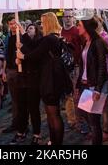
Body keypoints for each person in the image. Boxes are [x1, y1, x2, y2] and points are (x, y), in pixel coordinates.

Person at [17, 12, 71, 145]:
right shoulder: (51, 38)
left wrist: (22, 55)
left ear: (48, 23)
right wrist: (23, 34)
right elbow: (34, 45)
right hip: (50, 78)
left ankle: (57, 143)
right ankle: (53, 140)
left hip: (51, 79)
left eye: (42, 22)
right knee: (51, 113)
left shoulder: (50, 39)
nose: (41, 25)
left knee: (54, 114)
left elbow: (36, 53)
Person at [75, 17, 108, 145]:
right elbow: (83, 65)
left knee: (94, 121)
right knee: (83, 113)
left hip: (95, 84)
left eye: (79, 25)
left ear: (86, 27)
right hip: (86, 83)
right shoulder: (86, 42)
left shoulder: (98, 42)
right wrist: (79, 85)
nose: (77, 27)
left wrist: (98, 88)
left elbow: (102, 66)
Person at [10, 23, 42, 145]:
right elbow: (17, 58)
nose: (28, 30)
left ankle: (37, 134)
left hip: (33, 79)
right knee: (21, 108)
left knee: (33, 108)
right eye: (27, 29)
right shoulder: (21, 42)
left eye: (31, 28)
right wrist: (16, 59)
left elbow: (34, 56)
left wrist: (22, 50)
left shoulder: (39, 41)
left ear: (36, 30)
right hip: (21, 78)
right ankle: (21, 131)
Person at [60, 10, 82, 131]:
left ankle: (80, 120)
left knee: (76, 94)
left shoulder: (77, 31)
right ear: (62, 18)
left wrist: (79, 66)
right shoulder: (60, 31)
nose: (68, 19)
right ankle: (71, 120)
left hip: (76, 66)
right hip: (64, 68)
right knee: (68, 95)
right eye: (66, 16)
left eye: (70, 16)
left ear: (73, 18)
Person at [1, 16, 22, 134]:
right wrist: (4, 71)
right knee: (14, 99)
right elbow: (5, 55)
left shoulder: (22, 37)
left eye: (15, 23)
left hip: (20, 71)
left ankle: (23, 124)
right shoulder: (8, 37)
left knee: (21, 100)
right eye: (10, 24)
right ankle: (15, 123)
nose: (13, 26)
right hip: (9, 71)